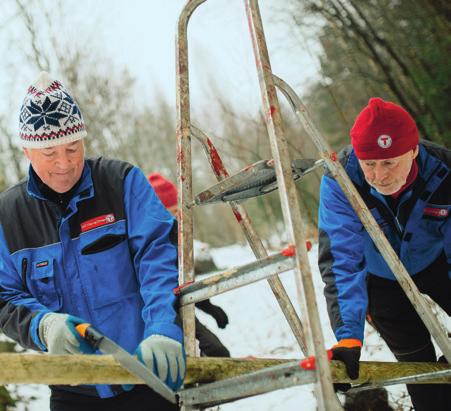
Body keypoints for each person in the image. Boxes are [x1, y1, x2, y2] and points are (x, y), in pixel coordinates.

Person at [0, 72, 184, 411]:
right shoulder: (8, 217)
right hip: (74, 389)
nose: (64, 163)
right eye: (49, 153)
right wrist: (43, 325)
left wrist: (162, 327)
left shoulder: (121, 182)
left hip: (148, 371)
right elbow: (3, 297)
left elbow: (160, 258)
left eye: (73, 148)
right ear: (26, 150)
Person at [318, 97, 450, 410]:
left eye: (390, 162)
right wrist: (348, 335)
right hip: (380, 276)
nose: (380, 175)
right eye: (370, 164)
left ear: (414, 150)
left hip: (436, 261)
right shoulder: (340, 181)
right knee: (417, 366)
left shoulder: (444, 170)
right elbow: (341, 260)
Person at [147, 173, 230, 358]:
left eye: (178, 211)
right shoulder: (151, 244)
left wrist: (210, 308)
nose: (177, 216)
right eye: (171, 211)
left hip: (182, 308)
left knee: (216, 353)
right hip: (162, 315)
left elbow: (183, 281)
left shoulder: (177, 236)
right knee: (212, 352)